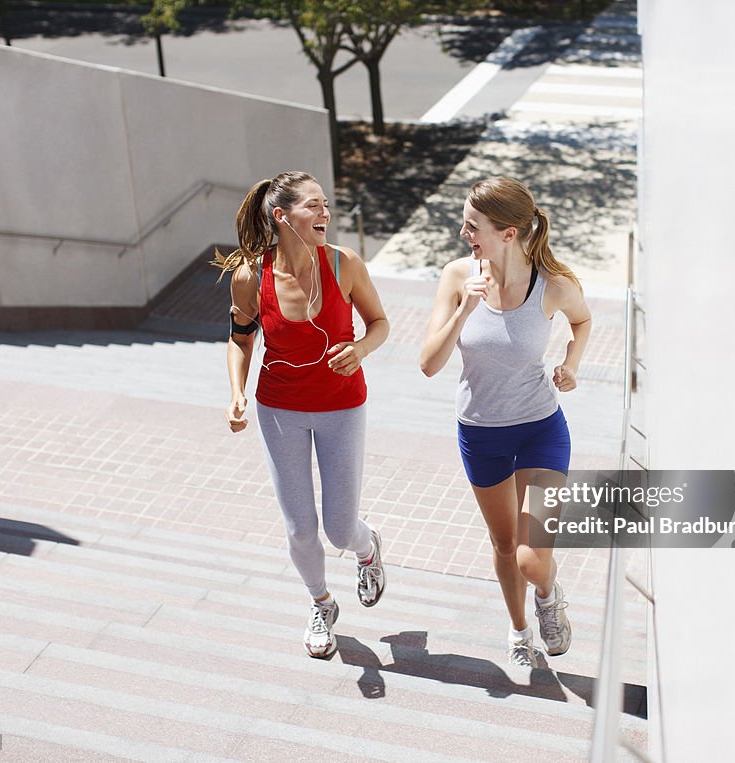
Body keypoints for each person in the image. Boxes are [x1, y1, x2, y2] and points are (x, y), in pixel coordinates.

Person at [216, 170, 389, 659]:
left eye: (326, 204)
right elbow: (240, 338)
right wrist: (236, 392)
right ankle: (321, 603)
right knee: (299, 527)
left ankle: (367, 546)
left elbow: (380, 323)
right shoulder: (252, 275)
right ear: (282, 216)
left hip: (341, 405)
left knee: (339, 527)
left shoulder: (344, 263)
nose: (325, 213)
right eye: (313, 205)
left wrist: (360, 349)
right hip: (279, 409)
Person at [419, 177, 592, 667]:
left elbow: (582, 321)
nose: (463, 233)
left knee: (531, 557)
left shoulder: (553, 284)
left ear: (509, 233)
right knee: (502, 543)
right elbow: (428, 364)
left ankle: (548, 594)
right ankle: (519, 632)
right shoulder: (457, 278)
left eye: (473, 226)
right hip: (480, 431)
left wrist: (572, 364)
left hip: (541, 426)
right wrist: (465, 310)